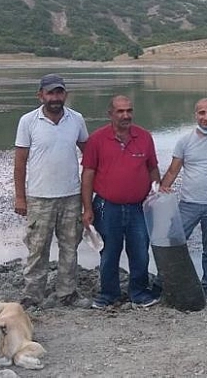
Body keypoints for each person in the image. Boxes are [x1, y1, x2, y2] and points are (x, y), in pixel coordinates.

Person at [13, 73, 90, 309]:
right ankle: (33, 295)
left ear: (65, 94)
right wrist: (20, 197)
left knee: (70, 246)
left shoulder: (76, 119)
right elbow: (20, 162)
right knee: (37, 248)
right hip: (39, 197)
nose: (55, 98)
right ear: (41, 95)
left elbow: (90, 156)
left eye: (59, 92)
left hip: (71, 196)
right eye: (50, 93)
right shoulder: (28, 121)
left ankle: (67, 293)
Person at [81, 95, 161, 309]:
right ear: (110, 114)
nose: (126, 115)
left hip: (138, 207)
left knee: (140, 251)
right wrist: (87, 208)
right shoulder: (97, 139)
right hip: (108, 206)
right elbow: (88, 173)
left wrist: (157, 197)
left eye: (129, 111)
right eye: (120, 111)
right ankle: (109, 294)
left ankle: (139, 292)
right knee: (108, 252)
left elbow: (153, 168)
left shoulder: (144, 137)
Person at [159, 98, 207, 300]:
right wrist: (159, 193)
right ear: (195, 115)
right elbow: (173, 171)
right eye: (202, 113)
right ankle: (172, 278)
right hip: (188, 204)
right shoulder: (184, 141)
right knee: (174, 242)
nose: (206, 117)